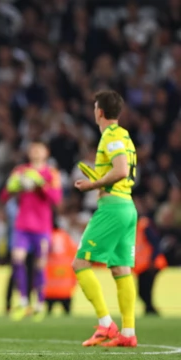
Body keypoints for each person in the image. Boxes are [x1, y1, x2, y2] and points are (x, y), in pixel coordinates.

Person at [72, 90, 138, 347]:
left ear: (99, 111)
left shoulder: (110, 136)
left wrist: (93, 185)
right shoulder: (125, 136)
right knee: (121, 270)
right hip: (127, 207)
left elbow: (121, 170)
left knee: (80, 264)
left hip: (112, 208)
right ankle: (128, 333)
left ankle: (105, 324)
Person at [0, 141, 62, 321]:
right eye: (32, 148)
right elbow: (4, 195)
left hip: (42, 227)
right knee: (17, 259)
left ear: (46, 152)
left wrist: (41, 183)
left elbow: (56, 199)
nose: (35, 151)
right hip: (22, 226)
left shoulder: (52, 173)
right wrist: (14, 186)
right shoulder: (20, 171)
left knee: (39, 265)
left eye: (39, 149)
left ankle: (39, 304)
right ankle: (23, 301)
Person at [133, 215, 167, 316]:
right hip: (142, 266)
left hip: (150, 265)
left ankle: (150, 310)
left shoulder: (143, 225)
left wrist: (152, 260)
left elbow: (155, 243)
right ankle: (150, 310)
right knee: (143, 291)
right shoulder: (135, 227)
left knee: (144, 290)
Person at [45, 220, 78, 316]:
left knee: (48, 318)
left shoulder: (46, 237)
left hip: (49, 288)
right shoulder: (66, 237)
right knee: (68, 316)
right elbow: (75, 258)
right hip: (66, 288)